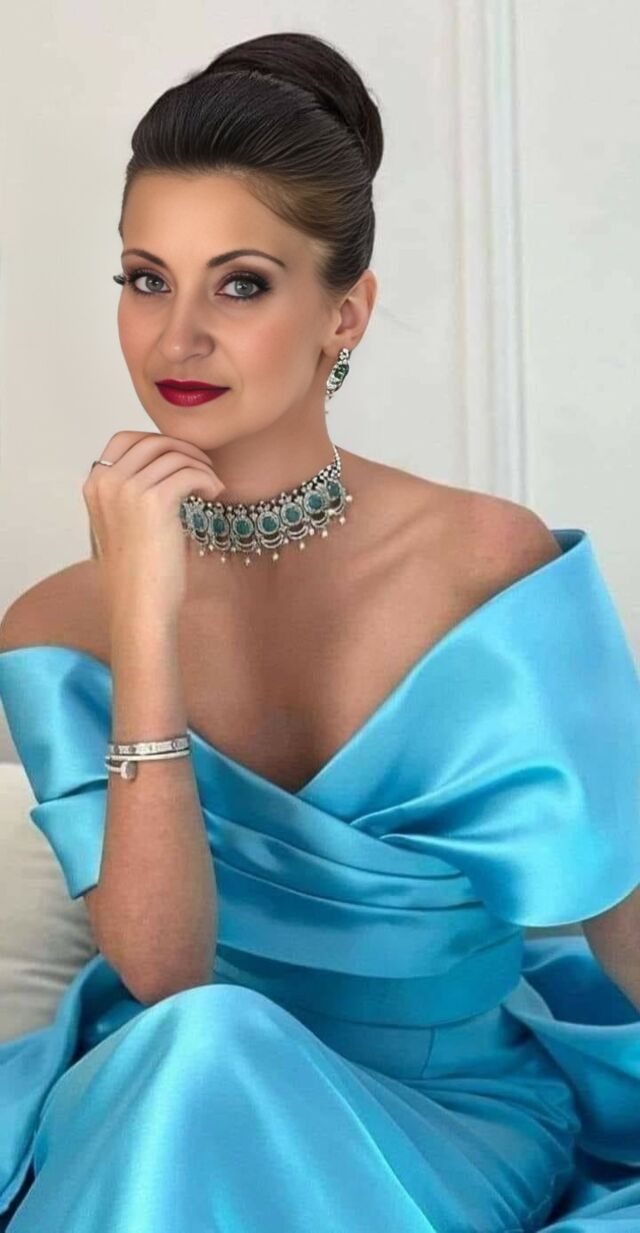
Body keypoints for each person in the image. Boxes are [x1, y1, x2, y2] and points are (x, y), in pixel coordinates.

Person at [1, 29, 640, 1233]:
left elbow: (624, 920)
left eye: (240, 283)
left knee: (203, 1059)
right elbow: (165, 976)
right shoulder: (59, 626)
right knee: (199, 1049)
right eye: (146, 279)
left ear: (345, 314)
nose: (177, 337)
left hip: (444, 1114)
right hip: (164, 1096)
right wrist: (144, 615)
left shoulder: (483, 565)